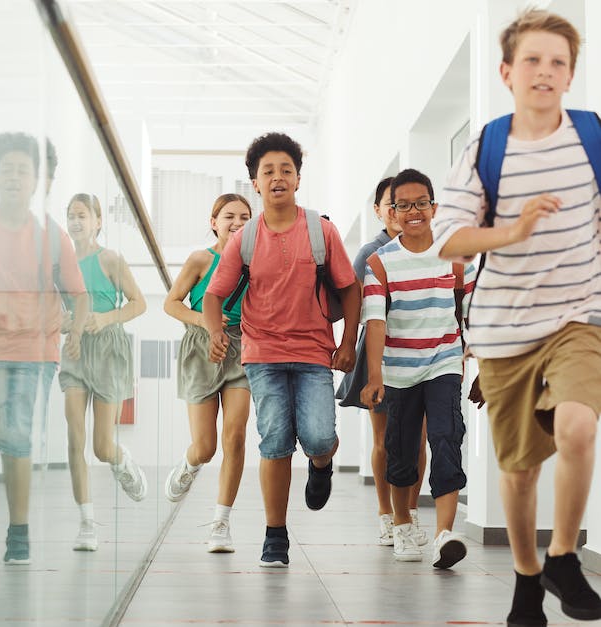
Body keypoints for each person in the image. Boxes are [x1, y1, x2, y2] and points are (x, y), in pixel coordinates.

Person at [434, 8, 601, 625]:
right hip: (504, 329)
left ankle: (563, 556)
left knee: (580, 428)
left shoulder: (592, 137)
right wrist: (514, 229)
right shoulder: (488, 147)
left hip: (579, 319)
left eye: (558, 61)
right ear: (507, 72)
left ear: (570, 73)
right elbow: (447, 240)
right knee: (521, 469)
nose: (545, 71)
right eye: (532, 59)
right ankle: (527, 577)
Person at [203, 132, 360, 567]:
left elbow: (350, 289)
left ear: (297, 179)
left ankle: (322, 463)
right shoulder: (245, 238)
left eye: (285, 170)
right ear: (255, 182)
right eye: (267, 172)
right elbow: (214, 295)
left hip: (313, 352)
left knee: (318, 436)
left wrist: (348, 343)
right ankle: (275, 535)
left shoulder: (320, 230)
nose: (277, 178)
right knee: (274, 440)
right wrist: (216, 332)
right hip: (262, 353)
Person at [0, 132, 89, 565]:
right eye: (6, 169)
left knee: (16, 435)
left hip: (34, 350)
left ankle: (19, 532)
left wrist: (77, 332)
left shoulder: (51, 235)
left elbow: (78, 295)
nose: (13, 177)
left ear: (36, 182)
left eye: (22, 171)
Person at [359, 168, 474, 568]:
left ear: (433, 207)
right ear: (391, 211)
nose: (413, 211)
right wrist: (375, 375)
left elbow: (474, 311)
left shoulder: (456, 255)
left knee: (447, 437)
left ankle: (445, 533)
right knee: (401, 450)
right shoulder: (380, 263)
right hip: (399, 369)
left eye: (420, 203)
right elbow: (375, 322)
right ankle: (404, 523)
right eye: (403, 204)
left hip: (444, 362)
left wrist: (485, 362)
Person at [339, 177, 429, 547]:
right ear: (380, 210)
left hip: (422, 354)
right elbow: (354, 304)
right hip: (382, 355)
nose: (401, 210)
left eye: (409, 203)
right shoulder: (370, 252)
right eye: (393, 204)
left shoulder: (428, 248)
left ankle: (409, 512)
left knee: (418, 439)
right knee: (385, 440)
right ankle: (385, 513)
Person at [162, 193, 253, 553]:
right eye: (229, 216)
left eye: (245, 217)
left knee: (235, 436)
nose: (237, 222)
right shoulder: (201, 259)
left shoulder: (256, 261)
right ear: (214, 222)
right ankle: (188, 464)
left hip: (242, 348)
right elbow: (172, 303)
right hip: (201, 347)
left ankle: (221, 522)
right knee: (206, 447)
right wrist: (205, 319)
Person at [60, 193, 148, 552]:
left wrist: (104, 318)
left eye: (82, 215)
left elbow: (138, 303)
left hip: (109, 350)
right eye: (71, 215)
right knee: (75, 440)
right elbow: (54, 309)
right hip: (76, 351)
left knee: (99, 446)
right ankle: (86, 523)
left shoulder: (110, 259)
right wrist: (68, 323)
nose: (76, 221)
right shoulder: (60, 266)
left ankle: (120, 459)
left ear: (97, 221)